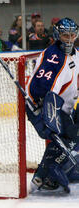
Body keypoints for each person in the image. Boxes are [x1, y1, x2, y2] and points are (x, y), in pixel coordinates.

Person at [26, 18, 78, 193]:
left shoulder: (75, 54)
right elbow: (38, 89)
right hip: (41, 107)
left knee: (71, 135)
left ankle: (54, 171)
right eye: (65, 35)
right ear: (57, 35)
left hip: (62, 107)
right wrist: (44, 116)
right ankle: (47, 173)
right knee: (70, 135)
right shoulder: (54, 57)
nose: (69, 39)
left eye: (72, 35)